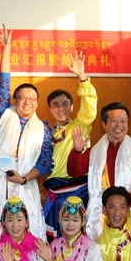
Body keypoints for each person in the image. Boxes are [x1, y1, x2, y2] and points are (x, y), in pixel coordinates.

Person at [0, 26, 54, 239]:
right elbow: (4, 82)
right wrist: (6, 48)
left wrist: (22, 179)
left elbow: (45, 162)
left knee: (26, 235)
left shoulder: (44, 130)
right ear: (14, 101)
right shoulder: (4, 115)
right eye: (22, 98)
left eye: (32, 99)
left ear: (37, 103)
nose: (26, 102)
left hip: (25, 186)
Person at [69, 102, 131, 240]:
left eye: (123, 121)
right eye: (114, 121)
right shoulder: (94, 151)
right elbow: (74, 172)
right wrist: (77, 151)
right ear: (104, 124)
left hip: (128, 212)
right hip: (100, 213)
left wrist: (122, 205)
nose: (119, 125)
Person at [43, 52, 97, 239]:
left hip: (79, 189)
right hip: (54, 191)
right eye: (56, 105)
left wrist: (82, 77)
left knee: (79, 237)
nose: (61, 108)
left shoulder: (81, 125)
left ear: (72, 106)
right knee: (55, 239)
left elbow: (90, 107)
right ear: (50, 109)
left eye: (65, 104)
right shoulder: (45, 134)